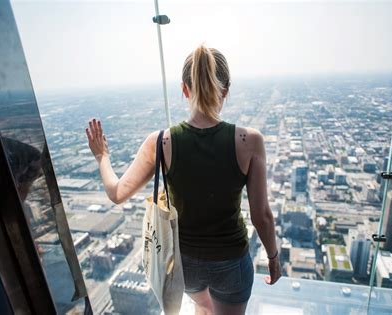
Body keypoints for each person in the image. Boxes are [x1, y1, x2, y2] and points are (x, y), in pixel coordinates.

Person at [86, 44, 281, 315]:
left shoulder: (160, 143)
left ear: (184, 90)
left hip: (184, 264)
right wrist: (273, 257)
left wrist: (102, 157)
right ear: (225, 90)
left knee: (202, 308)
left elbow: (117, 193)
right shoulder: (249, 141)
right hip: (231, 262)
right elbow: (262, 216)